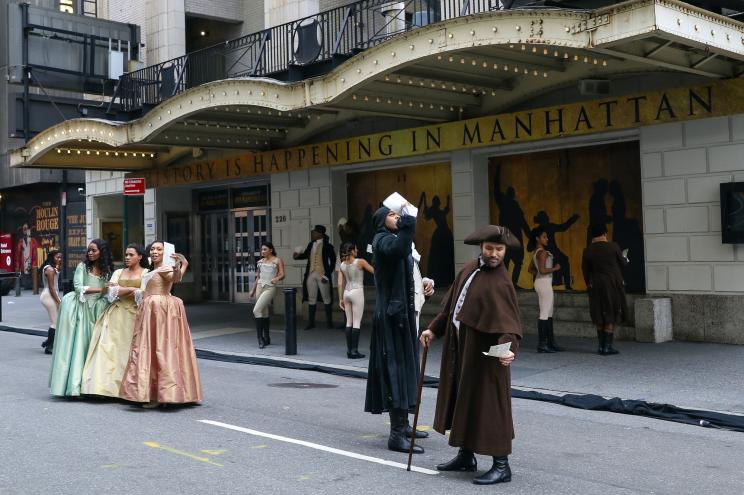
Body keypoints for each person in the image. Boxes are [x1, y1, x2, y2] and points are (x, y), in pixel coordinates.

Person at [420, 225, 522, 485]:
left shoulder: (501, 281)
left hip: (487, 356)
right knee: (463, 400)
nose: (494, 254)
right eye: (490, 248)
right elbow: (452, 307)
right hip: (462, 349)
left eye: (499, 249)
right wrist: (433, 329)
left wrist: (508, 348)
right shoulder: (469, 269)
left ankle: (502, 465)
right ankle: (466, 456)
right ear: (482, 248)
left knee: (490, 406)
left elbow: (510, 325)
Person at [365, 201, 427, 455]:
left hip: (400, 315)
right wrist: (409, 220)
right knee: (396, 372)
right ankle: (396, 434)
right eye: (392, 214)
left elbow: (405, 265)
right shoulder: (381, 239)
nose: (397, 217)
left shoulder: (392, 239)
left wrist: (424, 284)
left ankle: (405, 425)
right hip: (391, 317)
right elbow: (400, 247)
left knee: (407, 370)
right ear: (381, 220)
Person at [120, 241, 202, 407]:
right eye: (152, 249)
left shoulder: (165, 267)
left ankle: (159, 395)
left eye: (159, 249)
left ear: (165, 252)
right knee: (152, 348)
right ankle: (154, 392)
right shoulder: (153, 267)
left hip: (159, 309)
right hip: (152, 308)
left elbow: (175, 278)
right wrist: (184, 264)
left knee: (159, 349)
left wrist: (178, 265)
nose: (155, 252)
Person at [81, 244, 148, 397]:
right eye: (126, 254)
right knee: (109, 349)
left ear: (140, 257)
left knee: (130, 350)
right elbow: (111, 292)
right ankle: (106, 388)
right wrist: (132, 290)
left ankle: (129, 388)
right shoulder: (118, 271)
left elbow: (144, 293)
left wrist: (122, 290)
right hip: (115, 314)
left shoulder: (146, 273)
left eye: (131, 255)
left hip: (135, 315)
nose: (127, 257)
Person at [49, 239, 114, 397]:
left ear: (102, 252)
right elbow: (78, 288)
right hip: (82, 310)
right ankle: (75, 387)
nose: (90, 253)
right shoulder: (83, 267)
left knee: (97, 349)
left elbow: (109, 291)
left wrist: (109, 292)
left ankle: (94, 387)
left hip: (99, 310)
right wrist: (101, 289)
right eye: (89, 250)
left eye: (94, 250)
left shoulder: (107, 270)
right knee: (81, 347)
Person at [581, 223, 629, 356]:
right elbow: (622, 263)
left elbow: (585, 270)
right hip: (612, 284)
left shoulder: (588, 250)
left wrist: (589, 283)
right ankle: (607, 347)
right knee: (611, 312)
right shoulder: (613, 246)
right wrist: (625, 258)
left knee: (599, 312)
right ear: (605, 233)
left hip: (595, 284)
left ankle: (601, 346)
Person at [293, 225, 336, 330]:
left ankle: (329, 323)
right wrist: (297, 256)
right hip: (311, 274)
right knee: (312, 299)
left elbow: (333, 261)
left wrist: (327, 274)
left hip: (322, 274)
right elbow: (305, 255)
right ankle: (311, 323)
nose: (312, 234)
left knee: (327, 298)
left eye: (314, 232)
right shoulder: (311, 244)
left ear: (320, 234)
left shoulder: (328, 246)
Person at [528, 227, 564, 353]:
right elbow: (542, 271)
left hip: (541, 282)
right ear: (537, 238)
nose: (547, 239)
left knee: (548, 313)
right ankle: (543, 344)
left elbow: (530, 269)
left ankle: (550, 343)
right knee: (544, 313)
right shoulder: (542, 252)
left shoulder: (536, 252)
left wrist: (539, 273)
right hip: (544, 283)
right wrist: (555, 268)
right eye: (544, 237)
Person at [337, 242, 374, 359]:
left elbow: (339, 283)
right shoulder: (360, 262)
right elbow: (374, 271)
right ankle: (354, 351)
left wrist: (340, 299)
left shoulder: (342, 264)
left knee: (349, 321)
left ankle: (349, 351)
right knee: (357, 322)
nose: (357, 250)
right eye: (356, 249)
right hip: (357, 291)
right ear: (352, 251)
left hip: (346, 292)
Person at [248, 242, 285, 349]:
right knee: (264, 312)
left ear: (271, 250)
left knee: (256, 310)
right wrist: (253, 290)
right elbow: (257, 277)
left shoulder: (277, 260)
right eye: (262, 250)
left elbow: (282, 274)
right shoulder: (260, 262)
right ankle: (267, 337)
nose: (262, 251)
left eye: (265, 249)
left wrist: (276, 278)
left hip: (270, 287)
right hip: (260, 286)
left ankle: (260, 338)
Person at [39, 249, 62, 354]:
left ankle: (48, 341)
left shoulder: (52, 268)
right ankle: (49, 348)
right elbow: (52, 288)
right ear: (52, 257)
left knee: (56, 321)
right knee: (55, 322)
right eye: (57, 257)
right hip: (49, 295)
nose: (59, 259)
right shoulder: (50, 269)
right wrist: (58, 301)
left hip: (50, 294)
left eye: (61, 257)